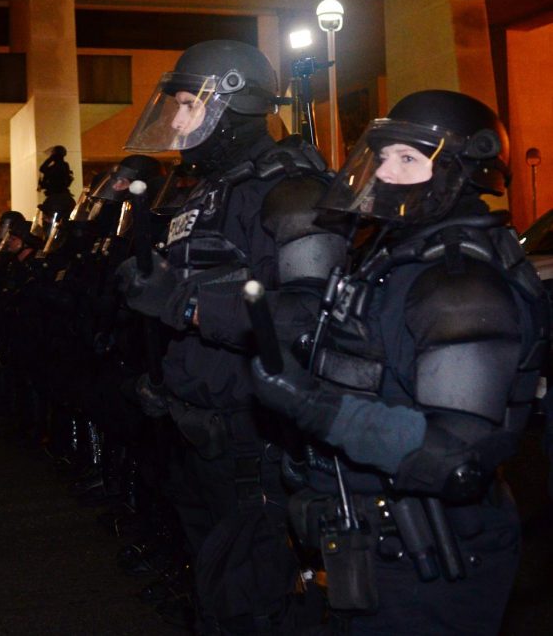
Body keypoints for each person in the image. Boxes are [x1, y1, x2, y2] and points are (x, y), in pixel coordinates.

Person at [251, 90, 548, 634]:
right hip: (376, 549)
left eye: (408, 159)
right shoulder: (396, 257)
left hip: (431, 560)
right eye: (381, 156)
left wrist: (316, 408)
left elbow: (456, 456)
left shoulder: (461, 285)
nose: (384, 173)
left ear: (465, 172)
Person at [117, 39, 345, 632]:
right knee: (217, 597)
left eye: (189, 104)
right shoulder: (211, 189)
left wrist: (184, 302)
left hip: (255, 448)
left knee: (255, 604)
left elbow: (305, 320)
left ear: (232, 105)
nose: (176, 119)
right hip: (199, 438)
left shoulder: (292, 190)